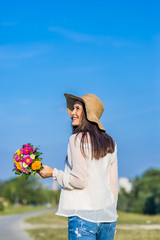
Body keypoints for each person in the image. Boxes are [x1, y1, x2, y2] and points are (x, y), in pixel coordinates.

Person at [39, 93, 118, 240]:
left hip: (83, 216)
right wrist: (112, 213)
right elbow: (113, 185)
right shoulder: (110, 142)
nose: (72, 113)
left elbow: (80, 181)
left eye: (77, 109)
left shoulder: (76, 139)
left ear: (88, 113)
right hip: (108, 218)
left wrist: (53, 173)